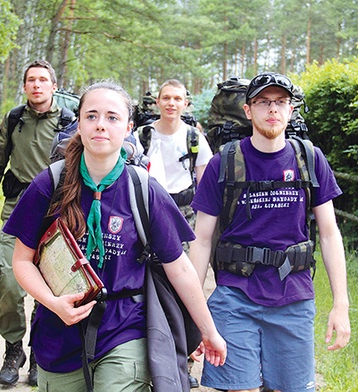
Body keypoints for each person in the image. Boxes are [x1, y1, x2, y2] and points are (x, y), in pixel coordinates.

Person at [2, 81, 227, 391]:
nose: (101, 126)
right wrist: (53, 303)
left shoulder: (144, 190)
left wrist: (208, 330)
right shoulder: (49, 184)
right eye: (91, 116)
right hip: (58, 330)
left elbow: (180, 268)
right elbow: (22, 261)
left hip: (125, 327)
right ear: (78, 123)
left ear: (128, 127)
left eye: (112, 117)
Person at [189, 72, 351, 392]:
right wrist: (193, 315)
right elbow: (202, 239)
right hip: (234, 296)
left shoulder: (310, 159)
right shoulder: (223, 163)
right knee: (236, 388)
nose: (272, 109)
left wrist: (340, 305)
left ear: (291, 110)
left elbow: (330, 234)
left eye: (280, 102)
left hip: (294, 296)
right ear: (248, 110)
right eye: (263, 102)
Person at [0, 59, 63, 387]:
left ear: (54, 85)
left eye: (43, 80)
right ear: (25, 87)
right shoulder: (14, 120)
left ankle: (39, 352)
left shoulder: (68, 121)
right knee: (10, 282)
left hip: (57, 212)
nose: (37, 85)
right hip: (17, 210)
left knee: (51, 283)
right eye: (31, 80)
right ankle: (13, 350)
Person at [135, 79, 213, 388]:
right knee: (144, 283)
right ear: (157, 102)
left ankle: (186, 362)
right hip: (145, 211)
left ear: (185, 103)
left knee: (185, 286)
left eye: (177, 98)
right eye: (166, 98)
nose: (171, 103)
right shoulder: (142, 136)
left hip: (183, 215)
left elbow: (204, 184)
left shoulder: (194, 138)